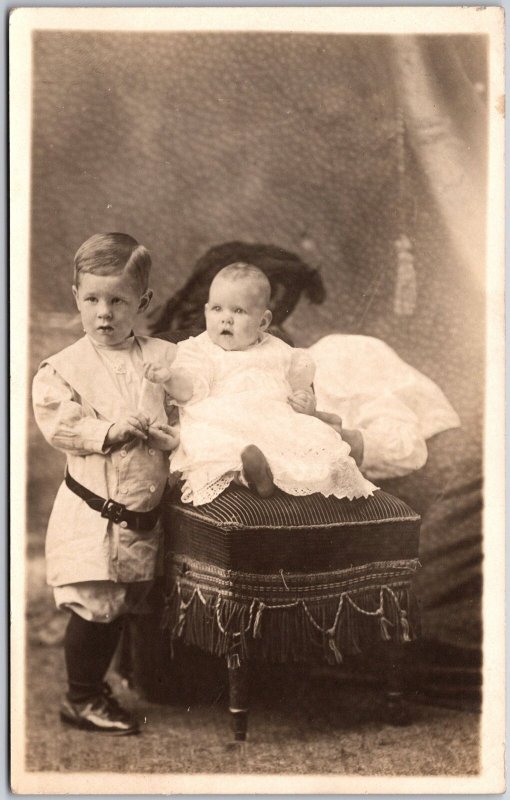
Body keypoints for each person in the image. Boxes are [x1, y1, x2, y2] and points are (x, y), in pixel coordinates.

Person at [32, 233, 184, 735]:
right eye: (93, 299)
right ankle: (81, 698)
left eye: (118, 300)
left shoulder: (162, 358)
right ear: (75, 294)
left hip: (142, 516)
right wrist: (107, 431)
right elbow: (59, 422)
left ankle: (125, 677)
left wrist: (173, 435)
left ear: (143, 302)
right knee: (97, 609)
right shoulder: (64, 368)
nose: (104, 312)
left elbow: (189, 404)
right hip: (94, 514)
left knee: (125, 603)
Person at [144, 262, 377, 506]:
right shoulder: (199, 350)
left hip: (275, 421)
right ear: (205, 311)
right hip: (223, 420)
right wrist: (169, 377)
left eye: (239, 311)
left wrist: (305, 402)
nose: (226, 319)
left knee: (308, 441)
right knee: (219, 447)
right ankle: (252, 476)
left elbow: (299, 384)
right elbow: (190, 390)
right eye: (217, 309)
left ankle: (323, 463)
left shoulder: (278, 351)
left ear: (263, 322)